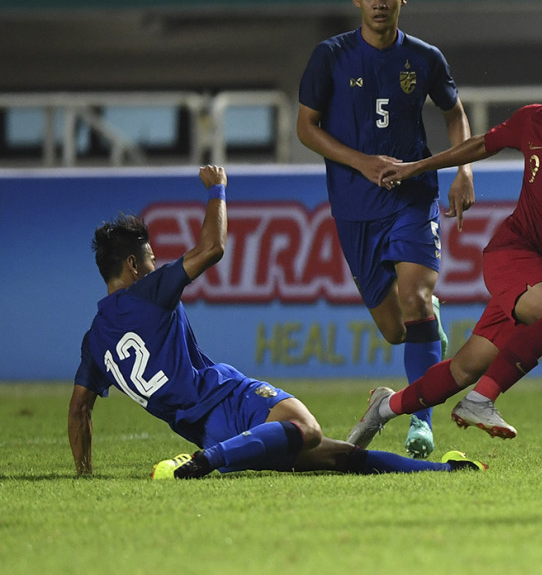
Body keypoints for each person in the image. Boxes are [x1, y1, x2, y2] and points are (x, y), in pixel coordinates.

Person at [67, 165, 485, 479]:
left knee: (336, 455)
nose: (156, 263)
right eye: (151, 258)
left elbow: (79, 411)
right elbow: (212, 248)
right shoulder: (148, 292)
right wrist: (217, 188)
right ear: (132, 266)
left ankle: (446, 472)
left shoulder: (94, 342)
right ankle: (202, 464)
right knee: (304, 427)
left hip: (205, 429)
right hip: (227, 397)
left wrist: (84, 473)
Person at [345, 40, 542, 449]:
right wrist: (419, 167)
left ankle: (384, 407)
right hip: (513, 252)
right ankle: (482, 400)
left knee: (464, 368)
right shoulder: (534, 121)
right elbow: (479, 144)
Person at [296, 0, 476, 458]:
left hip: (413, 197)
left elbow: (454, 112)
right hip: (355, 205)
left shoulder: (424, 58)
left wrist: (463, 169)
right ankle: (427, 325)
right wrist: (360, 161)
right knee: (397, 330)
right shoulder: (329, 56)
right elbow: (305, 128)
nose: (379, 4)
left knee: (416, 298)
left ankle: (422, 424)